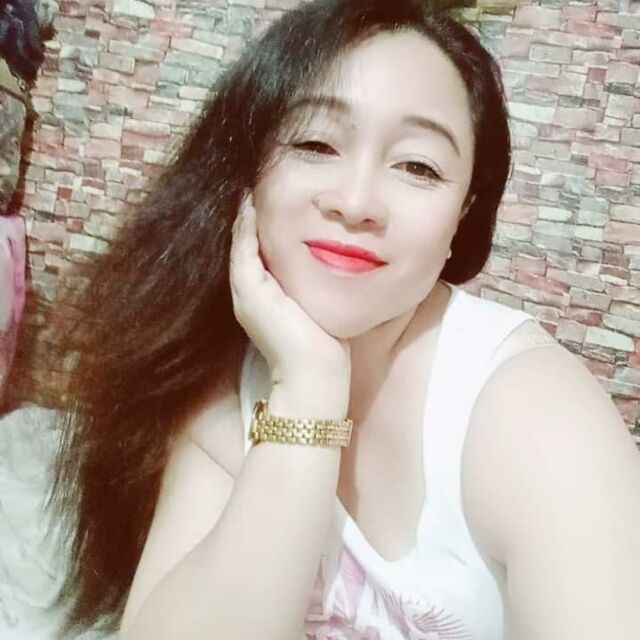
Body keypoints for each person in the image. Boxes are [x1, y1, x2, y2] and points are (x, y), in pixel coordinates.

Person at [46, 1, 640, 639]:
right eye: (315, 143)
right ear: (245, 173)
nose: (356, 203)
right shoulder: (223, 379)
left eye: (418, 166)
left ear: (464, 213)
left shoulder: (535, 414)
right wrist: (308, 388)